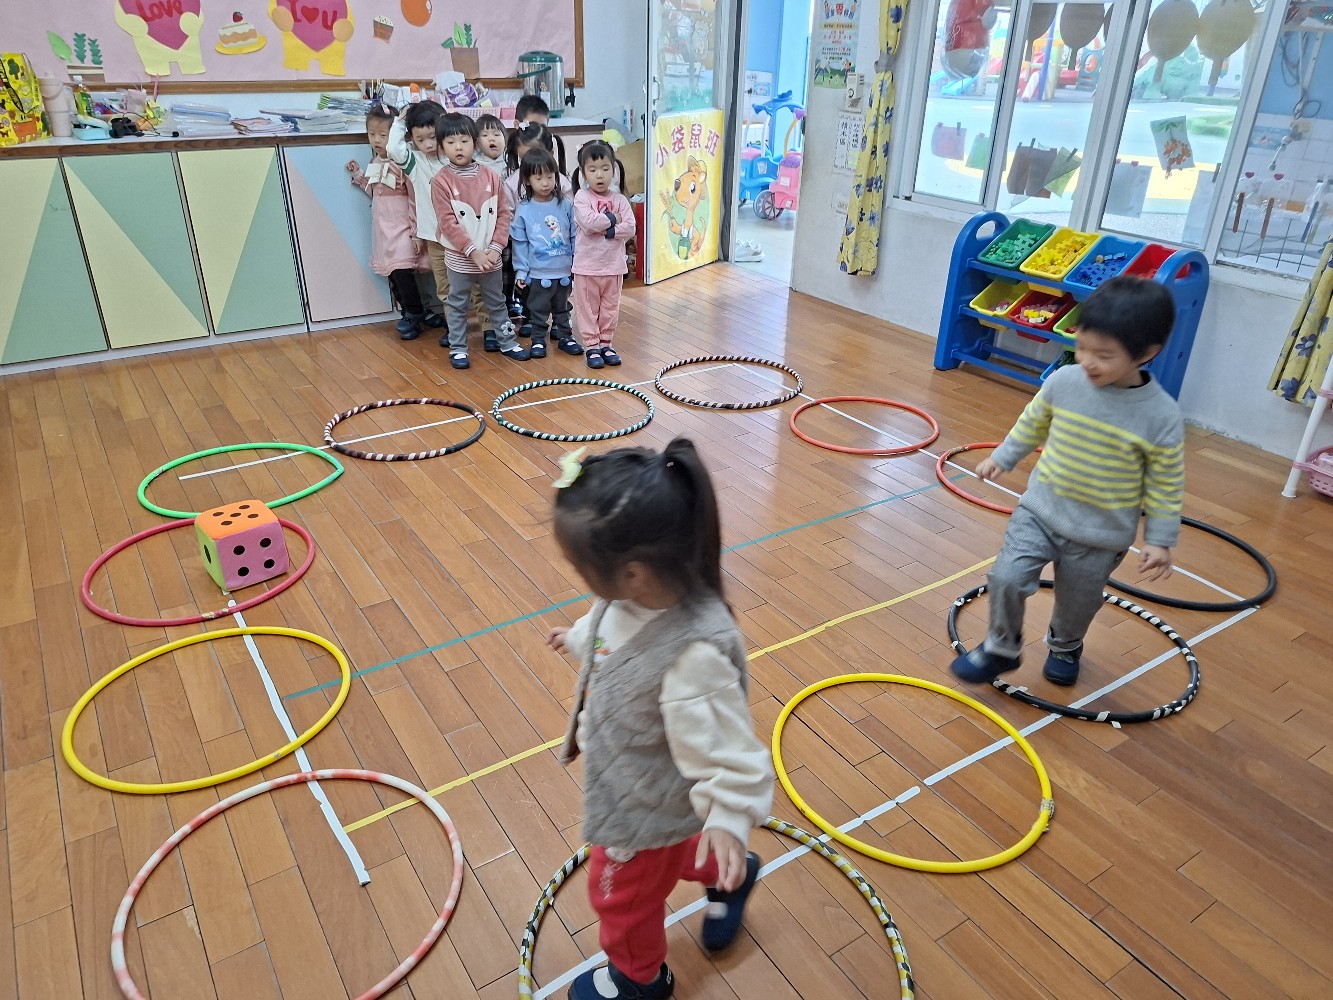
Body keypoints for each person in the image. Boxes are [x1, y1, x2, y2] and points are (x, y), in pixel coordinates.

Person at [547, 437, 772, 1000]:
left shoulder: (692, 659)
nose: (576, 574)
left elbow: (732, 752)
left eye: (578, 566)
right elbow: (607, 632)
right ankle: (731, 873)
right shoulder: (633, 596)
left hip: (640, 805)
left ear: (633, 573)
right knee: (682, 846)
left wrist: (729, 817)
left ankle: (640, 979)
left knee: (620, 898)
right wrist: (574, 638)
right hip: (658, 786)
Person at [951, 276, 1185, 688]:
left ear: (1147, 353)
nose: (1088, 361)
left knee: (1078, 602)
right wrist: (1003, 457)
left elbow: (1166, 481)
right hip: (1040, 510)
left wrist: (1160, 539)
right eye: (1082, 347)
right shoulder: (1064, 382)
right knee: (1006, 577)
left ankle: (1065, 645)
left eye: (1104, 355)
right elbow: (1033, 423)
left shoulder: (1161, 416)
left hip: (1101, 533)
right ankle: (1002, 647)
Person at [429, 113, 530, 369]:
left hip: (491, 257)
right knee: (457, 304)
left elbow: (504, 214)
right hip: (460, 259)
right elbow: (448, 223)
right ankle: (458, 348)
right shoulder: (441, 181)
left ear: (474, 143)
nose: (458, 147)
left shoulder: (491, 176)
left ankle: (507, 341)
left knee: (497, 301)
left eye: (464, 141)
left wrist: (495, 248)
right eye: (451, 142)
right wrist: (473, 252)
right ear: (441, 147)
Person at [347, 103, 429, 340]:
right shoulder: (375, 162)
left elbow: (415, 198)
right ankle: (409, 311)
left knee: (403, 271)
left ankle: (415, 311)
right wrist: (359, 176)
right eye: (372, 134)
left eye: (383, 135)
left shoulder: (402, 163)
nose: (376, 140)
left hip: (402, 227)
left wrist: (415, 231)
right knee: (393, 273)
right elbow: (375, 192)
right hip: (383, 230)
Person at [387, 101, 451, 340]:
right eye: (420, 139)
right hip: (435, 236)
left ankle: (488, 329)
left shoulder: (455, 157)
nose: (429, 144)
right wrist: (400, 121)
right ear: (412, 140)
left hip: (464, 236)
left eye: (433, 137)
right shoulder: (416, 162)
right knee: (445, 287)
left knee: (474, 287)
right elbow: (393, 149)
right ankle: (454, 330)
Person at [571, 141, 634, 370]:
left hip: (614, 267)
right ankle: (591, 345)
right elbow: (588, 223)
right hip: (587, 268)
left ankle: (606, 343)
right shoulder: (581, 197)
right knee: (588, 308)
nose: (600, 175)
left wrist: (609, 230)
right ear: (583, 172)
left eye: (605, 168)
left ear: (613, 169)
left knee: (610, 307)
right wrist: (614, 219)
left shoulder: (620, 200)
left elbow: (630, 227)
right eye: (593, 169)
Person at [511, 148, 576, 360]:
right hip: (538, 272)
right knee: (537, 309)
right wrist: (521, 271)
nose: (545, 183)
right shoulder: (524, 209)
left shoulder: (565, 204)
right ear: (527, 180)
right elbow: (520, 243)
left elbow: (574, 234)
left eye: (550, 176)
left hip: (564, 271)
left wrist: (577, 262)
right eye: (539, 178)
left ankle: (565, 337)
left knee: (562, 307)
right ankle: (538, 340)